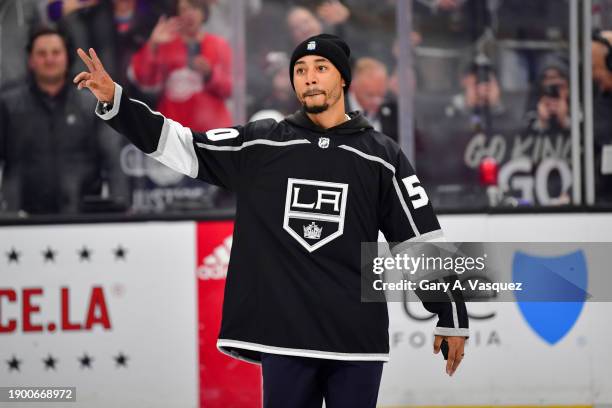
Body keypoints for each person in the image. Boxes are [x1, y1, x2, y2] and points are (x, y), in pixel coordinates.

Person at [74, 33, 469, 407]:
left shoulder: (381, 155)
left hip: (356, 338)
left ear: (343, 79)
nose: (309, 77)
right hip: (285, 337)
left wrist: (450, 313)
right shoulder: (261, 144)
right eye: (300, 70)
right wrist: (119, 103)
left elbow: (418, 238)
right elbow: (181, 144)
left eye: (321, 67)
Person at [0, 26, 127, 214]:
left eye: (56, 52)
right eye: (42, 53)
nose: (49, 59)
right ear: (31, 60)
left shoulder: (90, 105)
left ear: (67, 58)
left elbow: (112, 160)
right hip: (22, 219)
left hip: (80, 217)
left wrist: (121, 208)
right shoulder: (8, 105)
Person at [128, 0, 232, 132]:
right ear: (176, 14)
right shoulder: (167, 43)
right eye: (184, 9)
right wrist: (153, 44)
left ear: (204, 13)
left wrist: (210, 74)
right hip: (174, 130)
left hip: (213, 131)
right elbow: (144, 80)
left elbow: (231, 88)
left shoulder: (218, 45)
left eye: (195, 8)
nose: (190, 14)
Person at [346, 57, 398, 142]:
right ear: (352, 87)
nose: (377, 101)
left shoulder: (393, 109)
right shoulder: (336, 110)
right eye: (370, 95)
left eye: (381, 94)